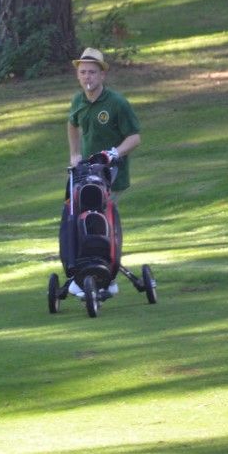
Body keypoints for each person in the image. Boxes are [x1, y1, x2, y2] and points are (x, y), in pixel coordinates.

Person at [66, 47, 141, 296]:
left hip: (112, 174)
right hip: (86, 173)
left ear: (102, 75)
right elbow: (72, 124)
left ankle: (107, 277)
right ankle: (85, 273)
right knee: (79, 219)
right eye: (83, 72)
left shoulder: (117, 103)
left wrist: (114, 153)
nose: (87, 77)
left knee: (104, 222)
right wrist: (75, 154)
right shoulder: (78, 101)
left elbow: (135, 137)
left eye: (92, 72)